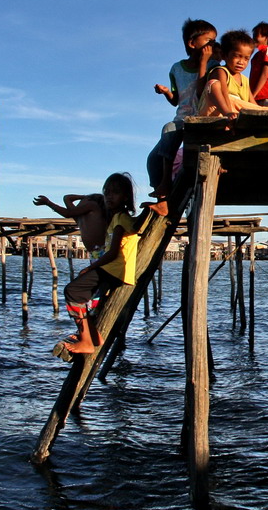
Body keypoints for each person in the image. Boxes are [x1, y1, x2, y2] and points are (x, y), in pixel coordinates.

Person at [52, 173, 143, 355]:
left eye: (115, 193)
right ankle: (93, 337)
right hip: (113, 269)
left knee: (72, 292)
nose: (109, 197)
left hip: (114, 269)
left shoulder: (121, 220)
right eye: (106, 193)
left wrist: (91, 267)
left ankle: (86, 341)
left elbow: (113, 253)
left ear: (125, 197)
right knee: (84, 298)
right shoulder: (116, 218)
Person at [146, 19, 217, 212]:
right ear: (192, 43)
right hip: (182, 119)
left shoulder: (213, 65)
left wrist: (204, 63)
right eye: (208, 40)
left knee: (168, 130)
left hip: (201, 118)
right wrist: (167, 93)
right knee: (153, 159)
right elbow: (176, 100)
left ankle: (166, 186)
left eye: (214, 41)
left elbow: (203, 92)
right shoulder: (176, 69)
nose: (212, 45)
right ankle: (162, 197)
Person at [198, 29, 268, 120]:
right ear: (224, 55)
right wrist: (228, 113)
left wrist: (260, 112)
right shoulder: (221, 71)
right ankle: (229, 114)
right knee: (214, 84)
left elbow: (252, 104)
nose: (241, 62)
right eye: (237, 56)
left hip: (236, 112)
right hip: (216, 111)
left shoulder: (244, 80)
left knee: (254, 108)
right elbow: (224, 95)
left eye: (246, 58)